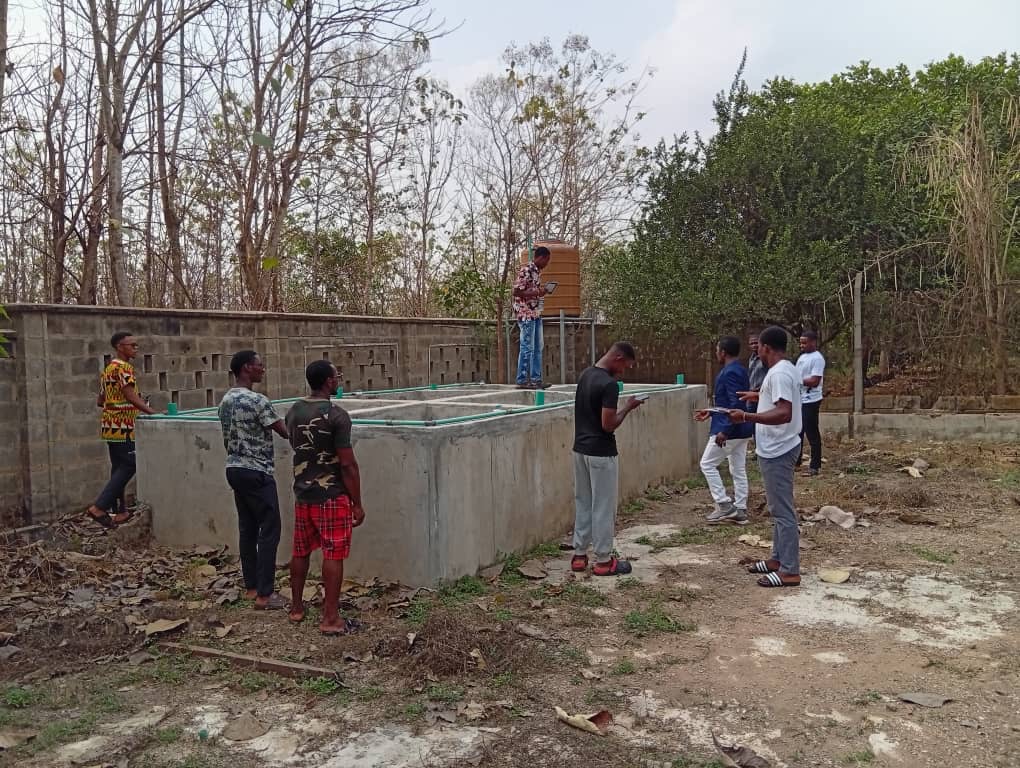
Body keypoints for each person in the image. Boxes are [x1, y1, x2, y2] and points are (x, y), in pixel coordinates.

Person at [285, 361, 365, 636]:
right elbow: (347, 464)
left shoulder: (294, 410)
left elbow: (297, 446)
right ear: (329, 382)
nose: (338, 379)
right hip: (331, 496)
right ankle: (330, 617)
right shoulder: (337, 415)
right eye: (336, 376)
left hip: (303, 494)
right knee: (333, 553)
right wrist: (357, 502)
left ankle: (296, 608)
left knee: (300, 550)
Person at [725, 325, 802, 588]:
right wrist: (759, 395)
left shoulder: (779, 373)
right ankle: (778, 560)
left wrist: (746, 415)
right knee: (777, 508)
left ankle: (790, 570)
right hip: (781, 446)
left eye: (759, 347)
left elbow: (784, 412)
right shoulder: (786, 369)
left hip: (778, 449)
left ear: (767, 348)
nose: (756, 351)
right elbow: (780, 399)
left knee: (782, 511)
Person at [218, 350, 289, 610]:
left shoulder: (225, 401)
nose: (263, 369)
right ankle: (265, 594)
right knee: (270, 529)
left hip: (234, 469)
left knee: (247, 528)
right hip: (257, 471)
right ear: (247, 368)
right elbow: (284, 432)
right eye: (260, 366)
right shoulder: (258, 401)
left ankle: (251, 587)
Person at [571, 342, 644, 576]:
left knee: (583, 501)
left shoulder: (585, 375)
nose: (623, 371)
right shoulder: (609, 385)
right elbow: (608, 424)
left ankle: (579, 555)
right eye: (625, 366)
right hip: (601, 453)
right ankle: (603, 560)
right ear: (618, 357)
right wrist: (628, 407)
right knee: (603, 506)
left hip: (580, 450)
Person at [86, 331, 158, 529]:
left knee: (118, 467)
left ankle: (120, 512)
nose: (135, 348)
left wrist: (119, 403)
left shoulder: (108, 369)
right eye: (131, 345)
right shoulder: (125, 368)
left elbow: (101, 400)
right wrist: (153, 413)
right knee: (131, 464)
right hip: (123, 426)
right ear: (120, 347)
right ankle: (99, 507)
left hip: (109, 425)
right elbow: (129, 396)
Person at [694, 336, 753, 525]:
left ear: (723, 352)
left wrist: (725, 430)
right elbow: (729, 403)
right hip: (741, 429)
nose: (716, 353)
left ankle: (724, 504)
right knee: (737, 468)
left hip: (730, 430)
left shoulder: (729, 373)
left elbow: (736, 404)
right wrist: (711, 412)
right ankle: (741, 509)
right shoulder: (740, 370)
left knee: (707, 464)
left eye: (717, 349)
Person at [512, 245, 551, 389]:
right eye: (547, 260)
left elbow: (532, 291)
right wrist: (537, 293)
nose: (547, 264)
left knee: (537, 348)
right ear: (541, 258)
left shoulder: (536, 272)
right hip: (526, 314)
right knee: (527, 347)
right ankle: (522, 380)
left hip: (535, 313)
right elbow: (516, 292)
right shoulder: (526, 270)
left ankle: (536, 379)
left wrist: (541, 292)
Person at [796, 330, 826, 476]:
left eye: (804, 342)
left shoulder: (817, 358)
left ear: (813, 342)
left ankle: (815, 466)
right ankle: (796, 461)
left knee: (811, 432)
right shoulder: (802, 357)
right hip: (799, 399)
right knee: (797, 432)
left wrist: (796, 381)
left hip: (811, 399)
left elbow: (814, 381)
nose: (801, 345)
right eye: (800, 342)